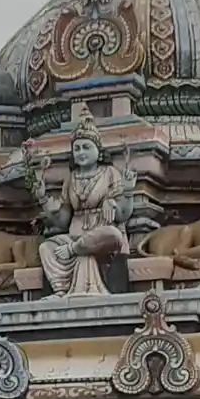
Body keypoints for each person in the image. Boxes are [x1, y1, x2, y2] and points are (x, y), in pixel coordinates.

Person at [37, 109, 134, 297]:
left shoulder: (110, 173)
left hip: (101, 236)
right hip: (75, 235)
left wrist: (124, 194)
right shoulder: (71, 179)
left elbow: (123, 215)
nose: (81, 152)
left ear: (98, 152)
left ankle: (75, 250)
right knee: (46, 247)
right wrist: (43, 199)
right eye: (77, 148)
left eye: (86, 147)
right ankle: (61, 290)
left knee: (112, 233)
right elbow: (63, 221)